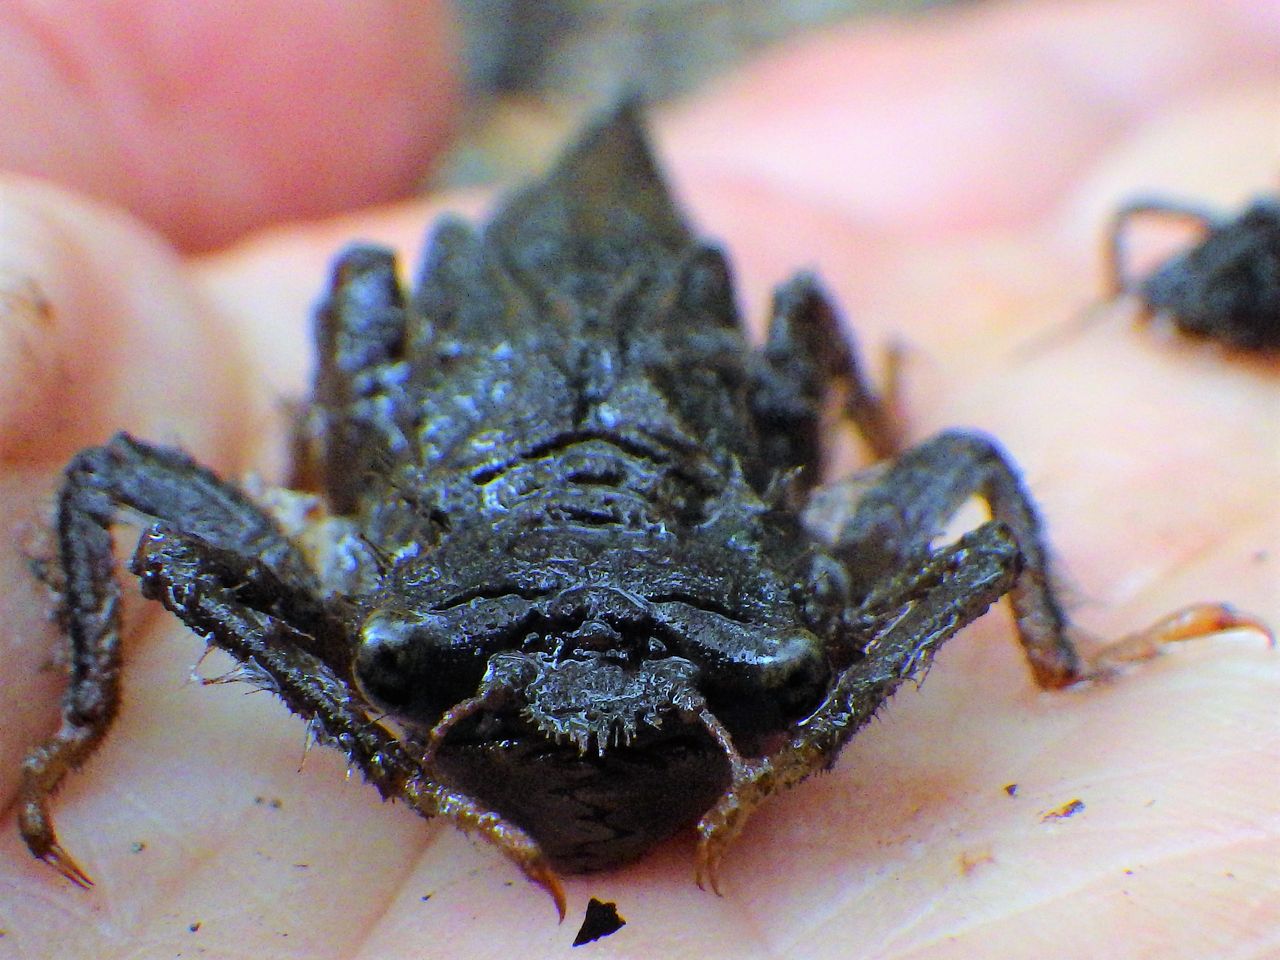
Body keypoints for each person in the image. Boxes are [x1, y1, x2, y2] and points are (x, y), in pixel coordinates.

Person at [1, 0, 1275, 955]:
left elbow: (978, 517)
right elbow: (131, 511)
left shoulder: (367, 576)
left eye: (770, 684)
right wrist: (792, 730)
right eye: (406, 665)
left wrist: (794, 750)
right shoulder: (787, 587)